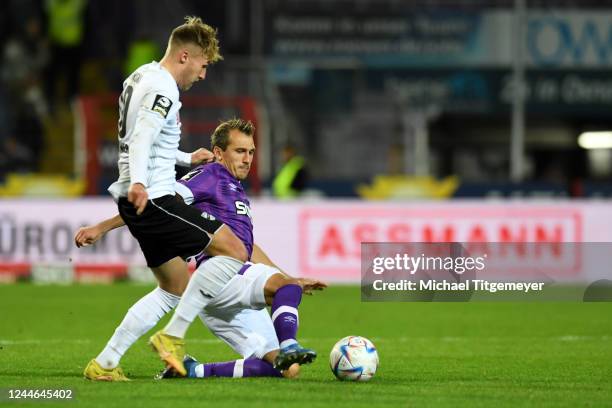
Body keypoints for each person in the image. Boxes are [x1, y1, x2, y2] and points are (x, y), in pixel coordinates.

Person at [76, 119, 326, 379]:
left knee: (288, 369)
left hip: (223, 297)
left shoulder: (234, 187)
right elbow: (157, 204)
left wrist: (288, 277)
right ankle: (290, 344)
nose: (247, 159)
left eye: (251, 152)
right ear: (219, 153)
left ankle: (195, 371)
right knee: (286, 295)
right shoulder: (209, 175)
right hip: (224, 276)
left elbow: (248, 249)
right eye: (240, 151)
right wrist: (103, 227)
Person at [79, 16, 248, 382]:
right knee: (234, 249)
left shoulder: (140, 76)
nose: (202, 76)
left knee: (173, 289)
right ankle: (172, 338)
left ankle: (105, 364)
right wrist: (141, 182)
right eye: (202, 66)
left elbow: (149, 139)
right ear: (185, 56)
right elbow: (141, 137)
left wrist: (188, 158)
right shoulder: (164, 89)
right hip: (153, 197)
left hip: (135, 198)